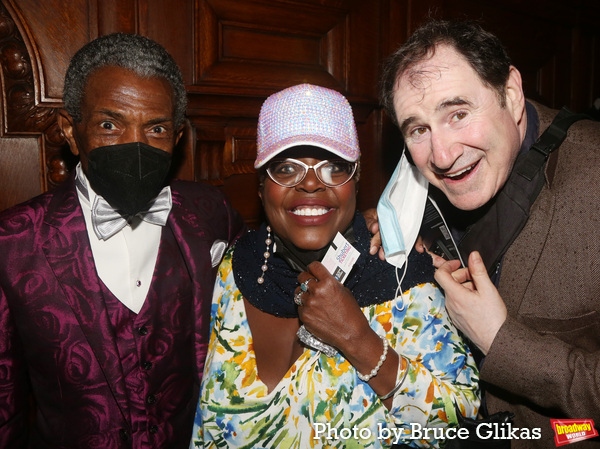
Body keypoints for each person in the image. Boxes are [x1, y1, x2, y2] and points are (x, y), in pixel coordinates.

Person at [190, 83, 479, 448]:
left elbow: (466, 424)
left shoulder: (401, 272)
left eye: (334, 167)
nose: (310, 183)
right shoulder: (239, 265)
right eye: (286, 167)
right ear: (261, 185)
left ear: (355, 181)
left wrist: (360, 341)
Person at [0, 33, 244, 448]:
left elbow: (265, 269)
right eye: (110, 125)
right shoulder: (12, 241)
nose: (136, 146)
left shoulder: (209, 213)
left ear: (178, 136)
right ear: (70, 132)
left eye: (156, 128)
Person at [379, 19, 600, 447]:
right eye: (419, 129)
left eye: (458, 113)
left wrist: (501, 342)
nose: (442, 156)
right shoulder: (427, 176)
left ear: (511, 95)